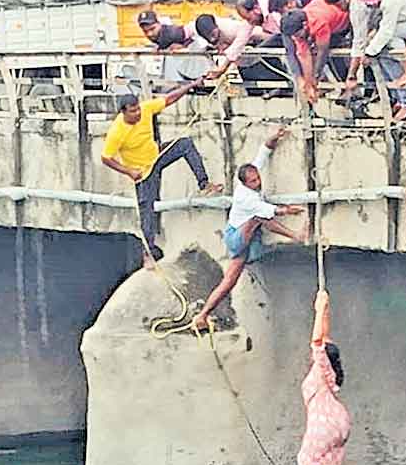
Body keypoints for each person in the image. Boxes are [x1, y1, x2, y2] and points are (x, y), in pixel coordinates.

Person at [101, 77, 224, 268]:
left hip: (158, 154)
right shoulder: (117, 131)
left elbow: (169, 99)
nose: (138, 113)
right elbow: (106, 158)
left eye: (138, 108)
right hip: (142, 171)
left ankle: (204, 183)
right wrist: (128, 171)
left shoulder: (146, 109)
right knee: (147, 209)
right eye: (133, 111)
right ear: (124, 112)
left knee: (185, 144)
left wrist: (192, 85)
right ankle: (148, 253)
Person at [192, 127, 305, 329]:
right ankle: (296, 236)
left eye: (257, 178)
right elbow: (268, 211)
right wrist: (289, 210)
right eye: (253, 182)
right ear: (244, 183)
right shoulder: (245, 197)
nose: (258, 182)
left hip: (249, 238)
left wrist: (273, 138)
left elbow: (263, 152)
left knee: (229, 282)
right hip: (236, 238)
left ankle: (203, 315)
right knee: (258, 218)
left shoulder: (252, 173)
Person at [288, 289, 351, 465]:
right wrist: (326, 308)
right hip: (336, 421)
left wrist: (319, 310)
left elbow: (317, 341)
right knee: (306, 463)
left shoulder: (321, 368)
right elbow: (323, 337)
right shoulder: (328, 372)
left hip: (324, 424)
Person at [281, 0, 353, 104]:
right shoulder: (297, 27)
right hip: (327, 22)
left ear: (304, 25)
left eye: (298, 35)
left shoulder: (319, 22)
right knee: (311, 55)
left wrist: (315, 78)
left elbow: (322, 51)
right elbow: (304, 56)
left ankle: (349, 93)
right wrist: (308, 84)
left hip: (343, 23)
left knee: (333, 56)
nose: (297, 37)